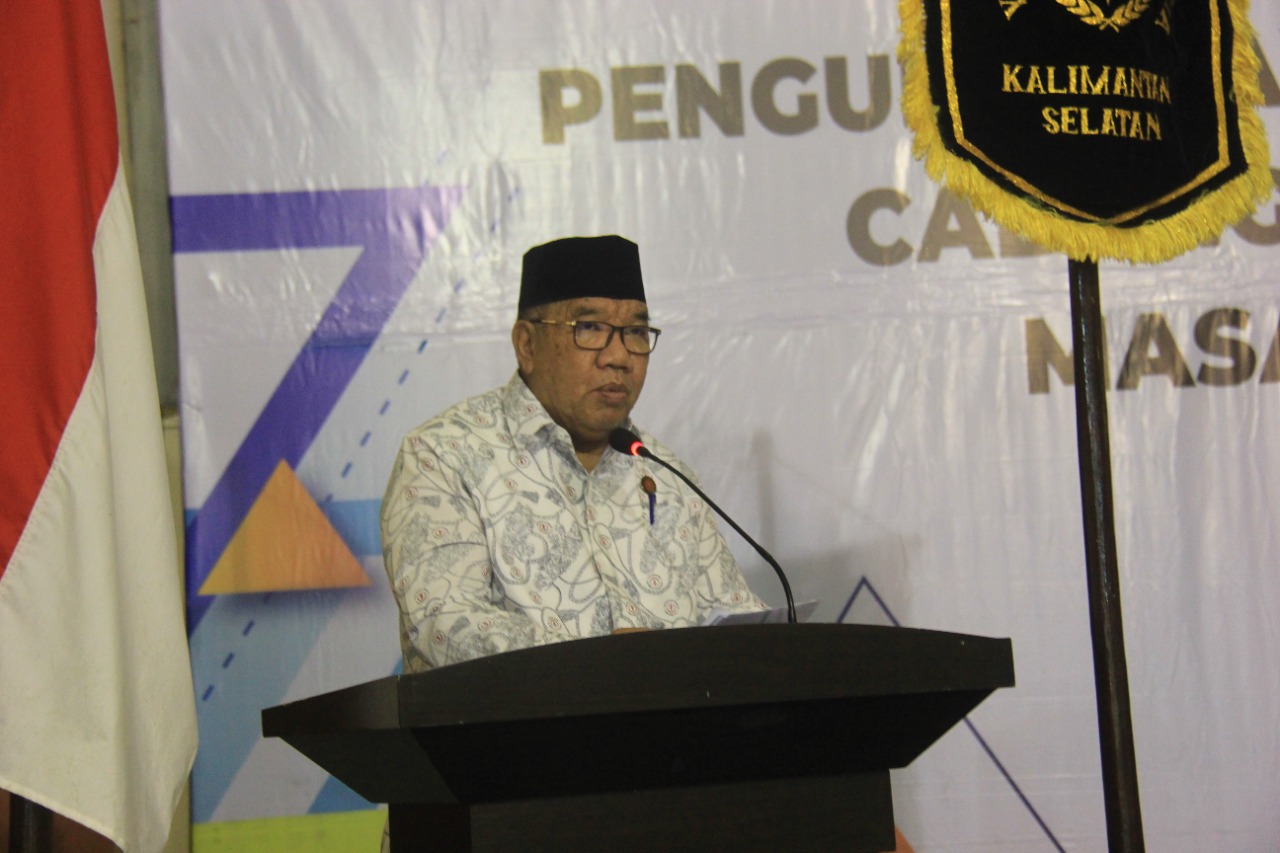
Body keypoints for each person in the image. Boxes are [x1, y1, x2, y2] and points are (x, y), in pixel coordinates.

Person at [380, 235, 766, 672]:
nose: (619, 356)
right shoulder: (445, 455)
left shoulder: (667, 475)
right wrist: (602, 662)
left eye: (636, 332)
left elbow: (734, 619)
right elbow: (446, 625)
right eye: (590, 328)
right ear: (528, 345)